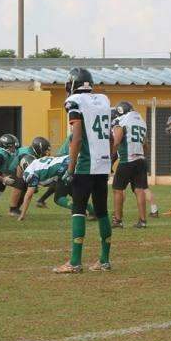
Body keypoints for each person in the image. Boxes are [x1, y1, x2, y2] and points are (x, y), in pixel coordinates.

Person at [54, 67, 113, 273]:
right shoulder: (103, 100)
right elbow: (111, 136)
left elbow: (76, 138)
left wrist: (70, 168)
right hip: (103, 163)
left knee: (78, 210)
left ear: (71, 85)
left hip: (85, 163)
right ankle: (104, 260)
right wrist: (110, 158)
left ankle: (75, 262)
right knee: (102, 211)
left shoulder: (75, 103)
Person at [18, 154, 96, 221]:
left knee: (59, 198)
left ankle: (78, 210)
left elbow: (29, 195)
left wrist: (22, 214)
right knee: (74, 194)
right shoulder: (38, 163)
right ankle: (93, 212)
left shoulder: (29, 171)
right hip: (71, 160)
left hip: (65, 167)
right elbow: (55, 183)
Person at [110, 101, 150, 229]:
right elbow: (146, 145)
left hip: (127, 160)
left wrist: (110, 157)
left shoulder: (121, 120)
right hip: (141, 159)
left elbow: (116, 141)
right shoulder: (141, 121)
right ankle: (143, 221)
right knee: (139, 190)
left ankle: (117, 220)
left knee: (117, 190)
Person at [8, 136, 52, 216]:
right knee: (19, 184)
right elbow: (23, 168)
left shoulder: (34, 153)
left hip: (22, 169)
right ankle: (12, 209)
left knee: (25, 188)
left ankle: (16, 208)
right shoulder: (27, 154)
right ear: (39, 148)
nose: (46, 152)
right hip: (14, 169)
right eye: (45, 150)